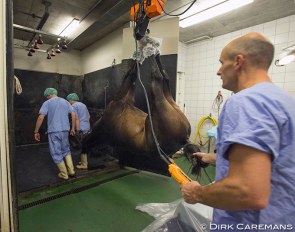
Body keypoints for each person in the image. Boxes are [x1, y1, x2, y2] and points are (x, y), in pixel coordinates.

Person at [181, 32, 295, 230]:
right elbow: (275, 161)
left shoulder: (245, 101)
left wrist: (197, 193)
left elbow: (248, 191)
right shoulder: (284, 101)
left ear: (238, 62)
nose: (218, 71)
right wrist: (214, 158)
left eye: (221, 62)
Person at [34, 88, 76, 180]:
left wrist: (36, 131)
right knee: (66, 150)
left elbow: (41, 117)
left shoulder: (47, 103)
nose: (46, 98)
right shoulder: (65, 102)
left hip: (54, 131)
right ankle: (71, 171)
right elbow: (73, 114)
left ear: (49, 95)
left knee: (56, 152)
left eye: (46, 97)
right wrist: (72, 128)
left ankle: (64, 174)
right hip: (65, 130)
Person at [66, 93, 90, 170]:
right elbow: (88, 116)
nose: (68, 102)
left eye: (68, 101)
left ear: (71, 100)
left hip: (81, 128)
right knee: (85, 144)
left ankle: (84, 164)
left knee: (82, 146)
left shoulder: (73, 106)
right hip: (87, 126)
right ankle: (84, 161)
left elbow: (76, 119)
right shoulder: (83, 105)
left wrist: (77, 129)